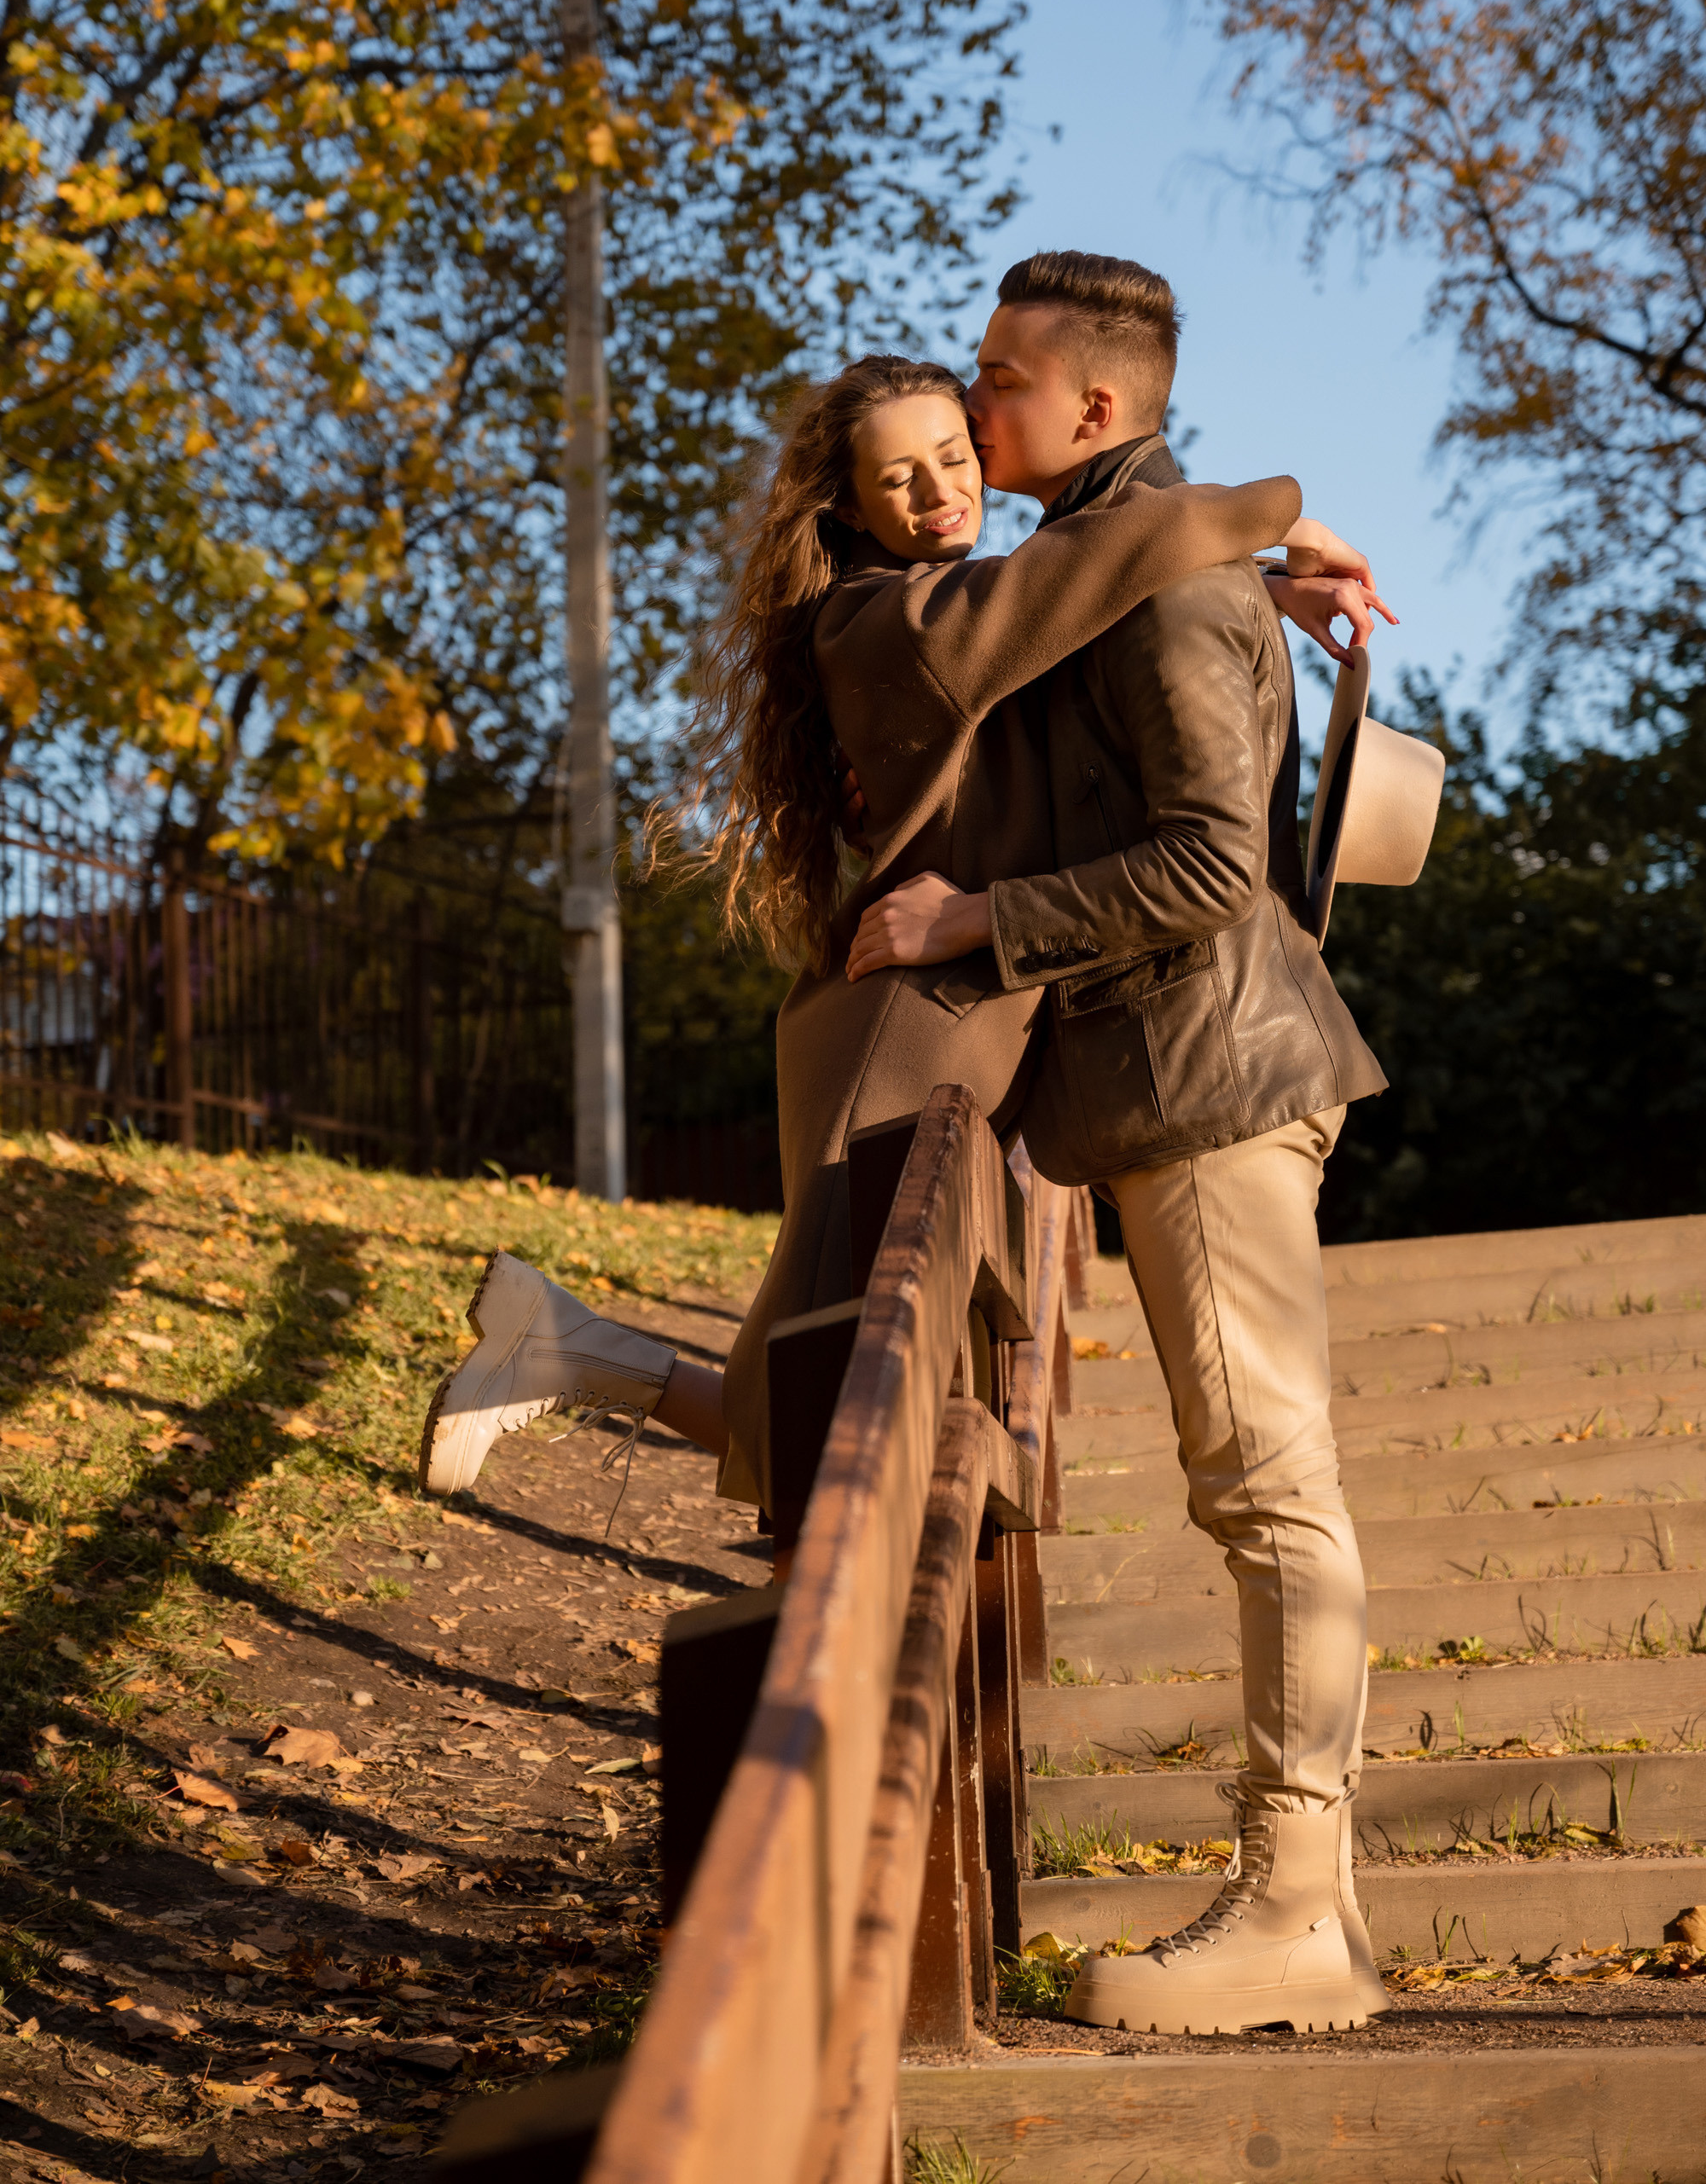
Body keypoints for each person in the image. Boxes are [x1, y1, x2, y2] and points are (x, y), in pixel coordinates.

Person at [419, 337, 1378, 1513]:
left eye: (953, 454)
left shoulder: (962, 618)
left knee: (856, 1372)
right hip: (907, 1020)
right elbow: (1088, 568)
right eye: (899, 478)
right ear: (852, 508)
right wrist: (1284, 514)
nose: (942, 490)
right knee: (841, 1378)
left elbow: (1085, 643)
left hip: (965, 1002)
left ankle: (565, 1347)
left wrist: (1268, 588)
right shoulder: (892, 622)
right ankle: (564, 1354)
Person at [846, 250, 1393, 2036]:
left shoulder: (1155, 588)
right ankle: (1312, 1906)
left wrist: (966, 921)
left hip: (1214, 1081)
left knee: (1266, 1485)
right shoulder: (1125, 559)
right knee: (1265, 1486)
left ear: (1094, 407)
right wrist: (1279, 547)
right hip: (1183, 1081)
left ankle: (1293, 1910)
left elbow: (1203, 867)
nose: (971, 395)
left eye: (1001, 376)